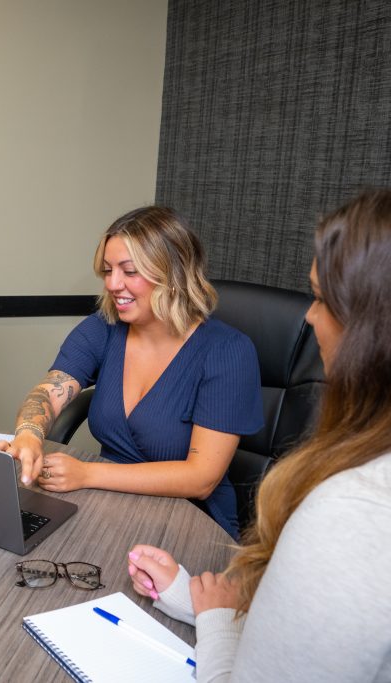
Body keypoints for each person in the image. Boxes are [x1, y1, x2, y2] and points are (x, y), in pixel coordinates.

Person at [126, 190, 391, 681]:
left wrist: (217, 623)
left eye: (321, 299)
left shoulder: (355, 513)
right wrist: (197, 601)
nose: (309, 317)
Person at [0, 206, 263, 539]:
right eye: (107, 270)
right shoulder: (103, 328)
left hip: (191, 521)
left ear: (173, 274)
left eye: (129, 271)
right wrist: (29, 434)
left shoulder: (228, 351)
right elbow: (49, 390)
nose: (112, 284)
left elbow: (201, 478)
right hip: (110, 506)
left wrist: (87, 474)